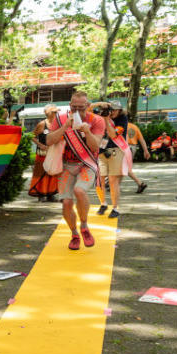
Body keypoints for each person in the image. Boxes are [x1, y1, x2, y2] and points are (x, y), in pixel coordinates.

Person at [47, 91, 105, 250]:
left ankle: (84, 226)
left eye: (81, 108)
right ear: (70, 105)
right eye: (74, 107)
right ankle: (74, 234)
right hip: (66, 165)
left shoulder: (97, 120)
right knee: (66, 202)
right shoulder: (60, 119)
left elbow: (96, 147)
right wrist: (65, 127)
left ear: (88, 106)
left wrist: (86, 132)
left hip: (87, 164)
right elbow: (49, 140)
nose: (77, 111)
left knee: (80, 190)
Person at [94, 103, 133, 218]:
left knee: (112, 180)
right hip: (101, 151)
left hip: (116, 150)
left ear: (120, 110)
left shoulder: (122, 119)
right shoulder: (100, 117)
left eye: (116, 110)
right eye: (111, 109)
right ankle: (103, 204)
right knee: (99, 180)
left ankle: (115, 208)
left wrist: (106, 119)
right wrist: (100, 107)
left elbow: (112, 134)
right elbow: (89, 108)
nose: (113, 112)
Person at [27, 104, 59, 202]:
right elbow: (31, 136)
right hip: (42, 153)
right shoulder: (42, 124)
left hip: (54, 153)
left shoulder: (58, 124)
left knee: (52, 174)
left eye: (55, 112)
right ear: (47, 113)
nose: (55, 113)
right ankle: (41, 194)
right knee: (41, 173)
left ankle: (50, 193)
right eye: (53, 112)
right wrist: (40, 145)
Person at [125, 121, 150, 192]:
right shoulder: (135, 127)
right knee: (124, 168)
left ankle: (140, 183)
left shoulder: (121, 125)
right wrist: (146, 151)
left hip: (125, 148)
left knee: (125, 168)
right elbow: (142, 140)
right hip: (133, 148)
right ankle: (111, 183)